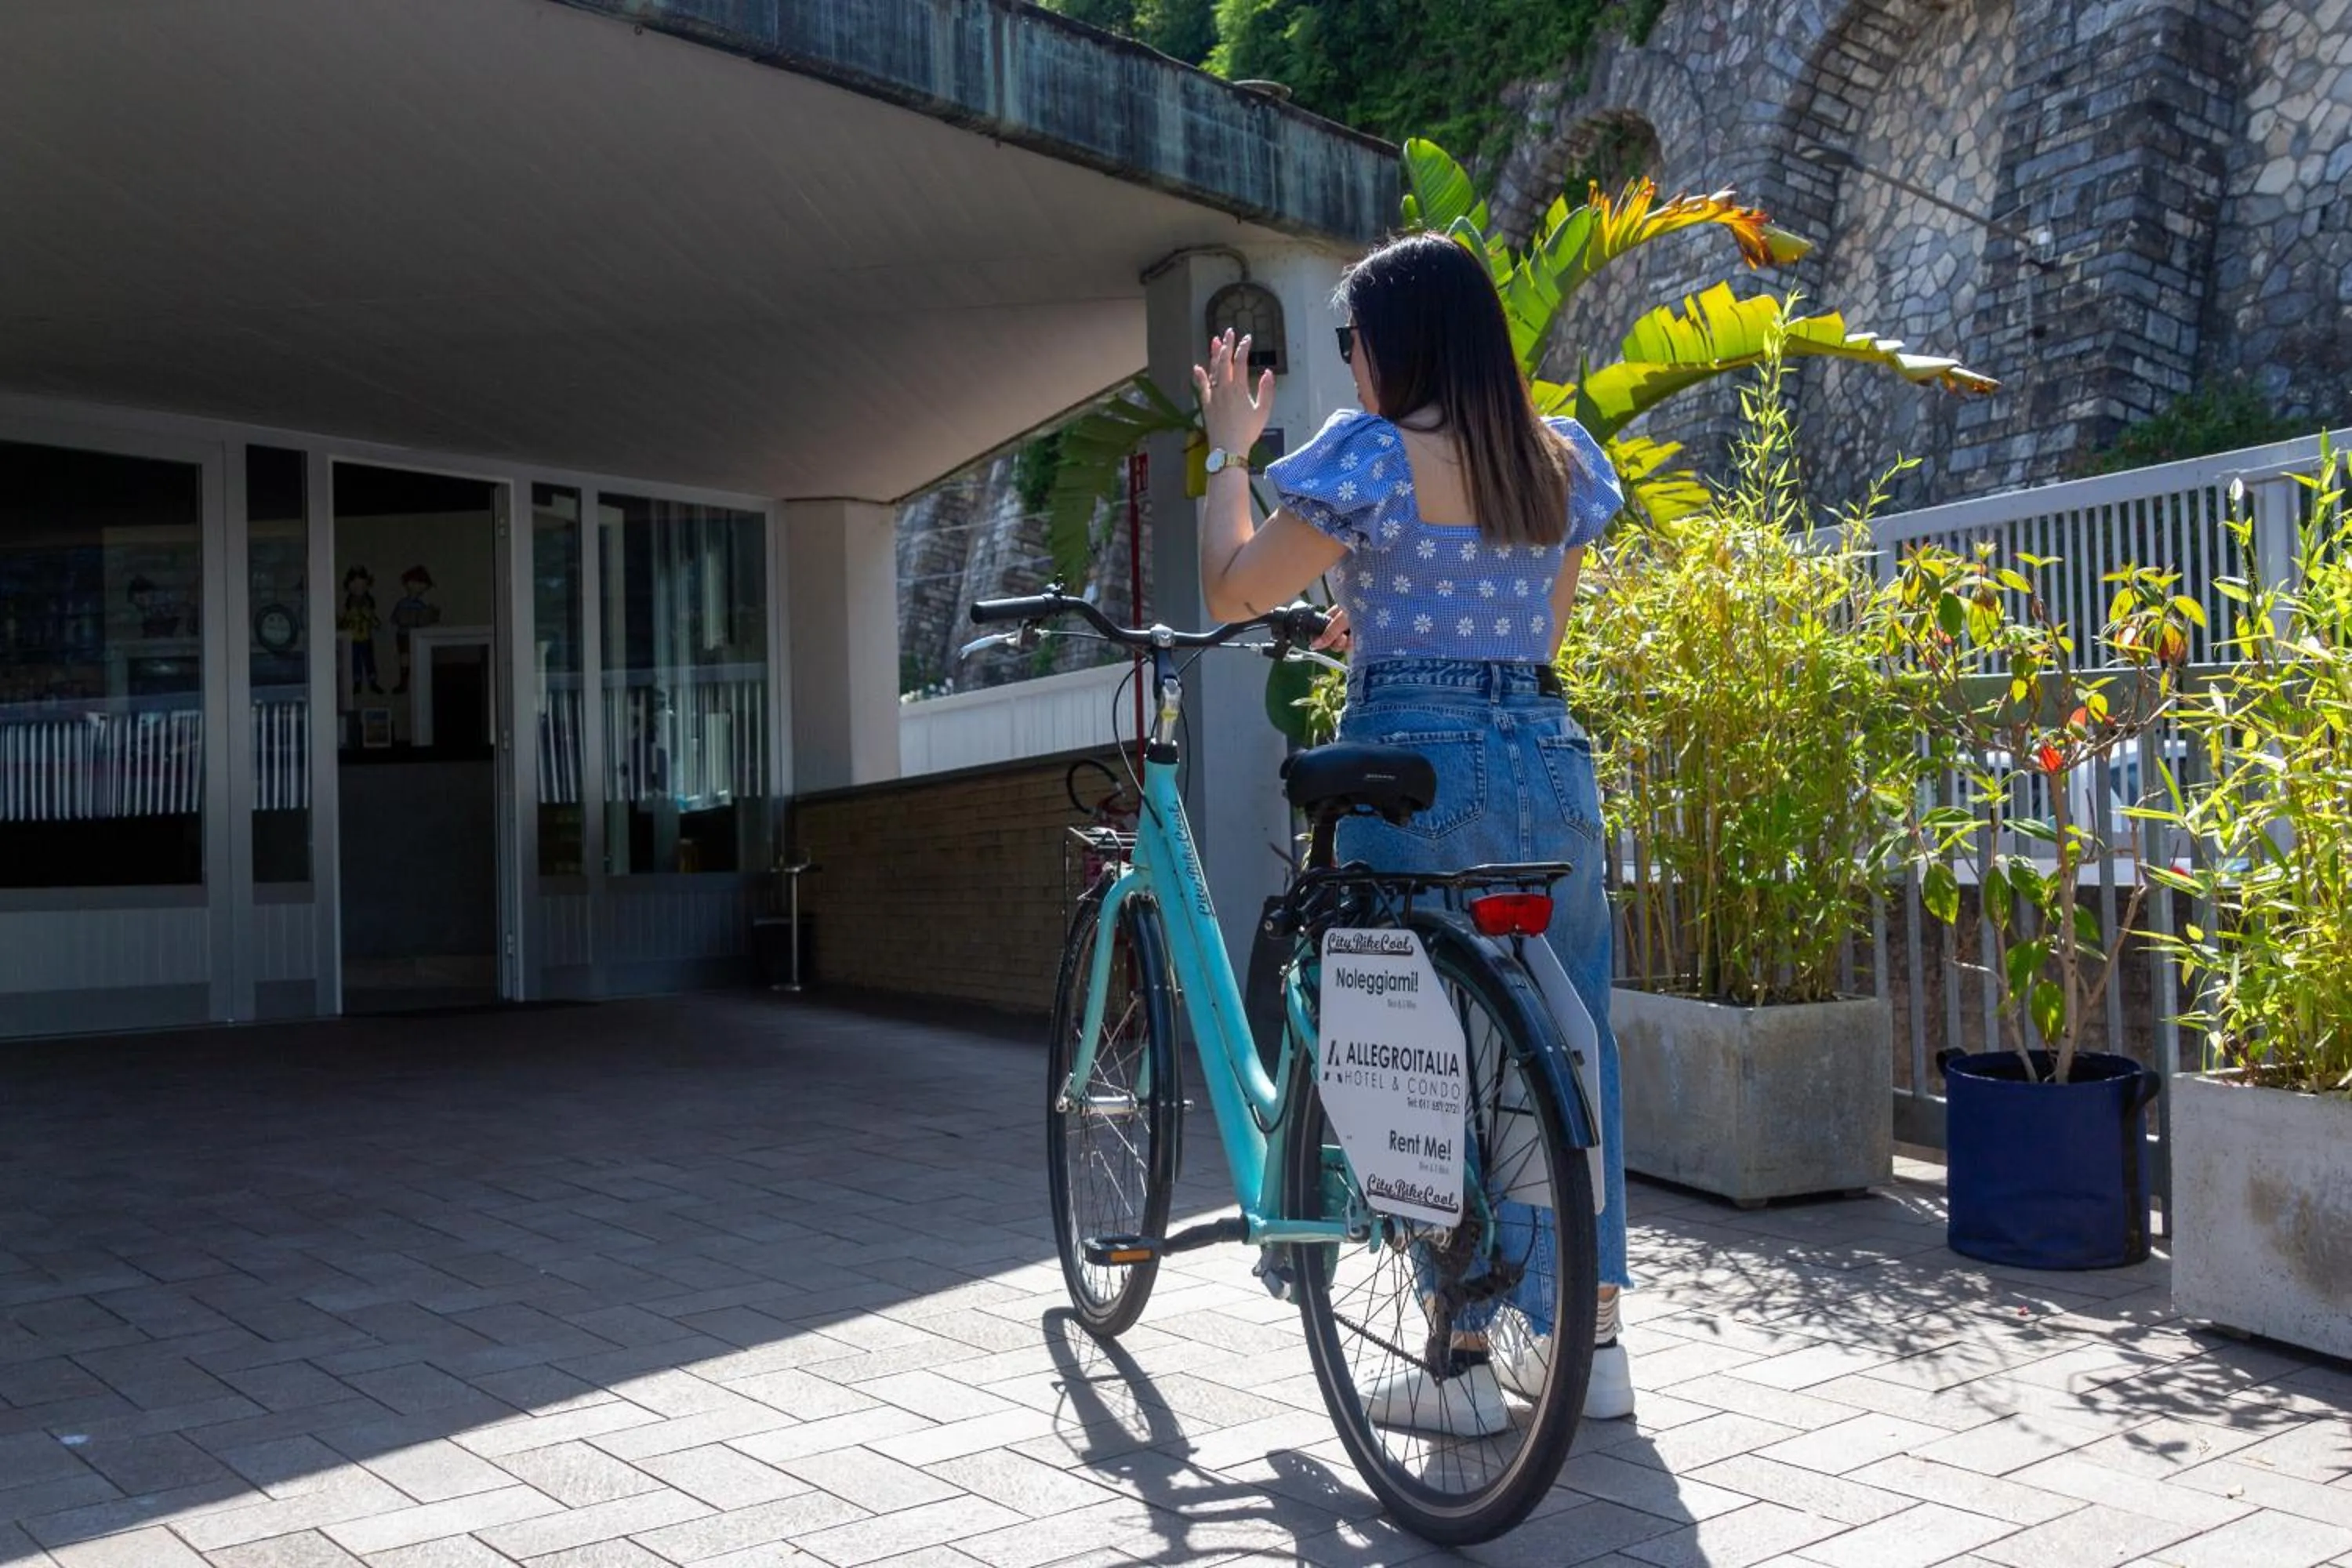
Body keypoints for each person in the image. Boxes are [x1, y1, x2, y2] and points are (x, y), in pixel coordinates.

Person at [1191, 230, 1632, 1432]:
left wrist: (1228, 452)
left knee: (1417, 1053)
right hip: (1548, 763)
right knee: (1567, 1047)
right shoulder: (1555, 461)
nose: (1350, 361)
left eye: (1353, 340)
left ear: (1397, 343)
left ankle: (1460, 1363)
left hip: (1416, 771)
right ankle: (1590, 1344)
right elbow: (1532, 638)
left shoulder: (1376, 457)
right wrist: (1377, 618)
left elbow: (1232, 588)